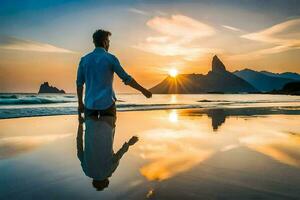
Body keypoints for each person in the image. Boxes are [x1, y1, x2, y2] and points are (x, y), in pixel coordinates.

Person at [76, 29, 152, 119]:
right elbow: (126, 78)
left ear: (94, 42)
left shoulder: (84, 60)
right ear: (105, 42)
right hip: (107, 104)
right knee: (108, 131)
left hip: (90, 105)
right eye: (108, 41)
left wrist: (80, 103)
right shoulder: (111, 58)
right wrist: (143, 90)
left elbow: (79, 84)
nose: (109, 44)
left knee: (90, 132)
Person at [76, 116, 138, 191]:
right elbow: (79, 147)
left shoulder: (109, 171)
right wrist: (80, 125)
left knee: (108, 106)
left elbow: (119, 155)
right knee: (91, 105)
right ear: (94, 181)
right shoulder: (86, 170)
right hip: (90, 124)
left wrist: (129, 143)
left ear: (106, 180)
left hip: (108, 127)